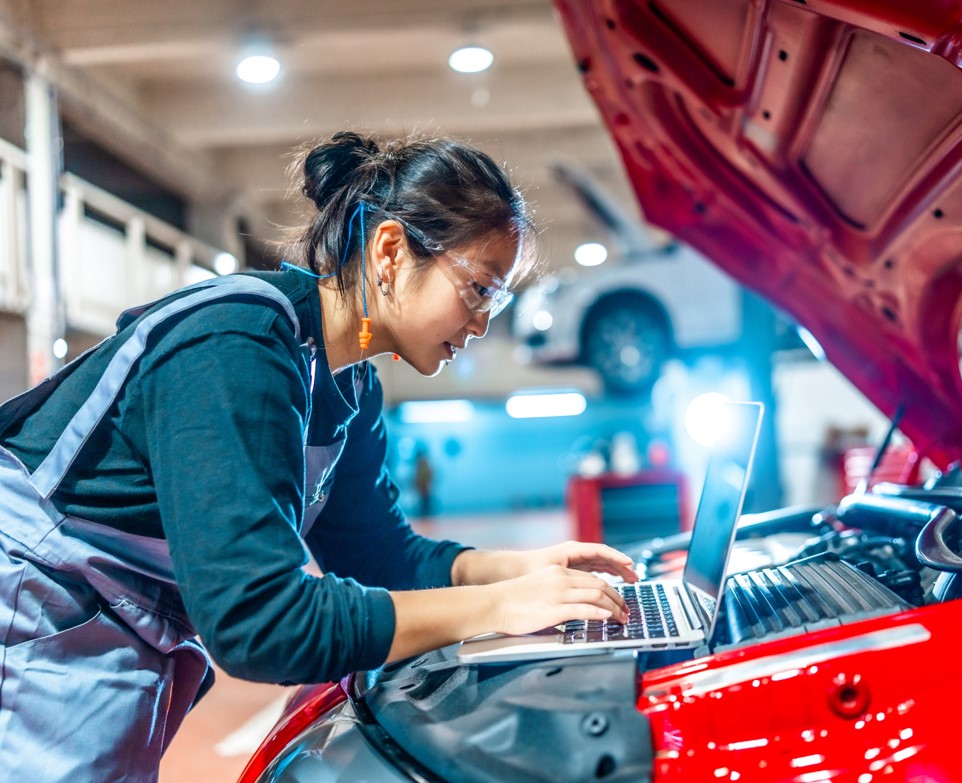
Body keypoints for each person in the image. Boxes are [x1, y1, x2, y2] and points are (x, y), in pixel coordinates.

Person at [0, 131, 637, 782]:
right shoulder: (236, 347)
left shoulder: (350, 381)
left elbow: (379, 557)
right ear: (390, 251)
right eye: (478, 289)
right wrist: (498, 608)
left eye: (496, 302)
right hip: (35, 622)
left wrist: (512, 571)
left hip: (103, 637)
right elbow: (261, 621)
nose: (482, 324)